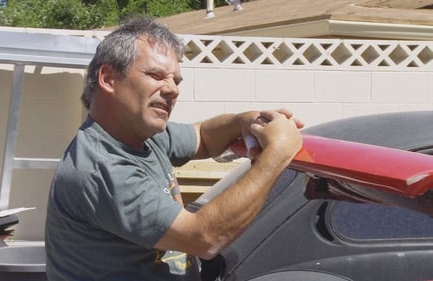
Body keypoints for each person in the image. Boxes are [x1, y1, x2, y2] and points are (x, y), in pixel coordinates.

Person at [45, 16, 303, 281]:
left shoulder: (143, 135)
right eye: (156, 75)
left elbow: (202, 135)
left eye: (176, 81)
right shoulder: (102, 167)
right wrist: (277, 154)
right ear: (109, 78)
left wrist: (244, 121)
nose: (172, 89)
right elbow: (203, 238)